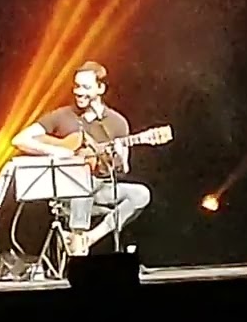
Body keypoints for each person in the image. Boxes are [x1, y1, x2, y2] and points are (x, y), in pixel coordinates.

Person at [10, 61, 152, 256]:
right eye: (76, 86)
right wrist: (55, 151)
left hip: (101, 189)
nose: (78, 91)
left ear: (100, 88)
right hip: (68, 192)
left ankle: (90, 237)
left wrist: (119, 155)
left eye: (85, 87)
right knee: (81, 183)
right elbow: (19, 139)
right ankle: (77, 247)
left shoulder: (117, 123)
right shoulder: (62, 116)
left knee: (141, 194)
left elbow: (124, 169)